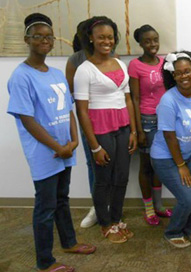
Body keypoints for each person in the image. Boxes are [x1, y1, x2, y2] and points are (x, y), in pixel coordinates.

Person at [7, 13, 95, 272]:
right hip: (46, 153)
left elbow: (68, 109)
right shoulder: (21, 76)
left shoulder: (56, 73)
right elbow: (28, 120)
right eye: (38, 37)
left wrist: (75, 140)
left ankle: (69, 242)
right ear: (27, 40)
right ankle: (45, 262)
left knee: (62, 199)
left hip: (66, 148)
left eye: (49, 37)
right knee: (45, 207)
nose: (45, 41)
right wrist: (58, 147)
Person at [74, 16, 137, 243]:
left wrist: (133, 131)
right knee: (103, 179)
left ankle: (117, 219)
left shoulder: (121, 64)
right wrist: (94, 146)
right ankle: (105, 224)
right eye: (101, 37)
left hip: (123, 128)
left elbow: (128, 100)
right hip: (100, 130)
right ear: (91, 38)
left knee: (121, 177)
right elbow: (82, 111)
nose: (106, 41)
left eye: (110, 37)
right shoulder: (84, 69)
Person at [150, 51, 191, 248]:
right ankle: (173, 231)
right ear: (172, 76)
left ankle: (190, 227)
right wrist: (181, 165)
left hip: (189, 154)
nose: (184, 76)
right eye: (179, 73)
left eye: (188, 71)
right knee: (188, 198)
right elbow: (169, 136)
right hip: (166, 157)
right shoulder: (168, 100)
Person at [129, 24, 172, 226]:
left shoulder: (165, 63)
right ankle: (149, 209)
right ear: (140, 43)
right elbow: (135, 99)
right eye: (147, 41)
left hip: (164, 120)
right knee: (146, 166)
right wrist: (138, 130)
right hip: (147, 120)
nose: (152, 44)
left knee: (160, 165)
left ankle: (159, 206)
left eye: (155, 39)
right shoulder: (135, 66)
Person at [65, 19, 98, 229]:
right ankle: (97, 207)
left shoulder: (113, 58)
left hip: (114, 122)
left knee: (115, 166)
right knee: (93, 164)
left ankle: (113, 208)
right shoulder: (75, 60)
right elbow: (72, 95)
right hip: (88, 122)